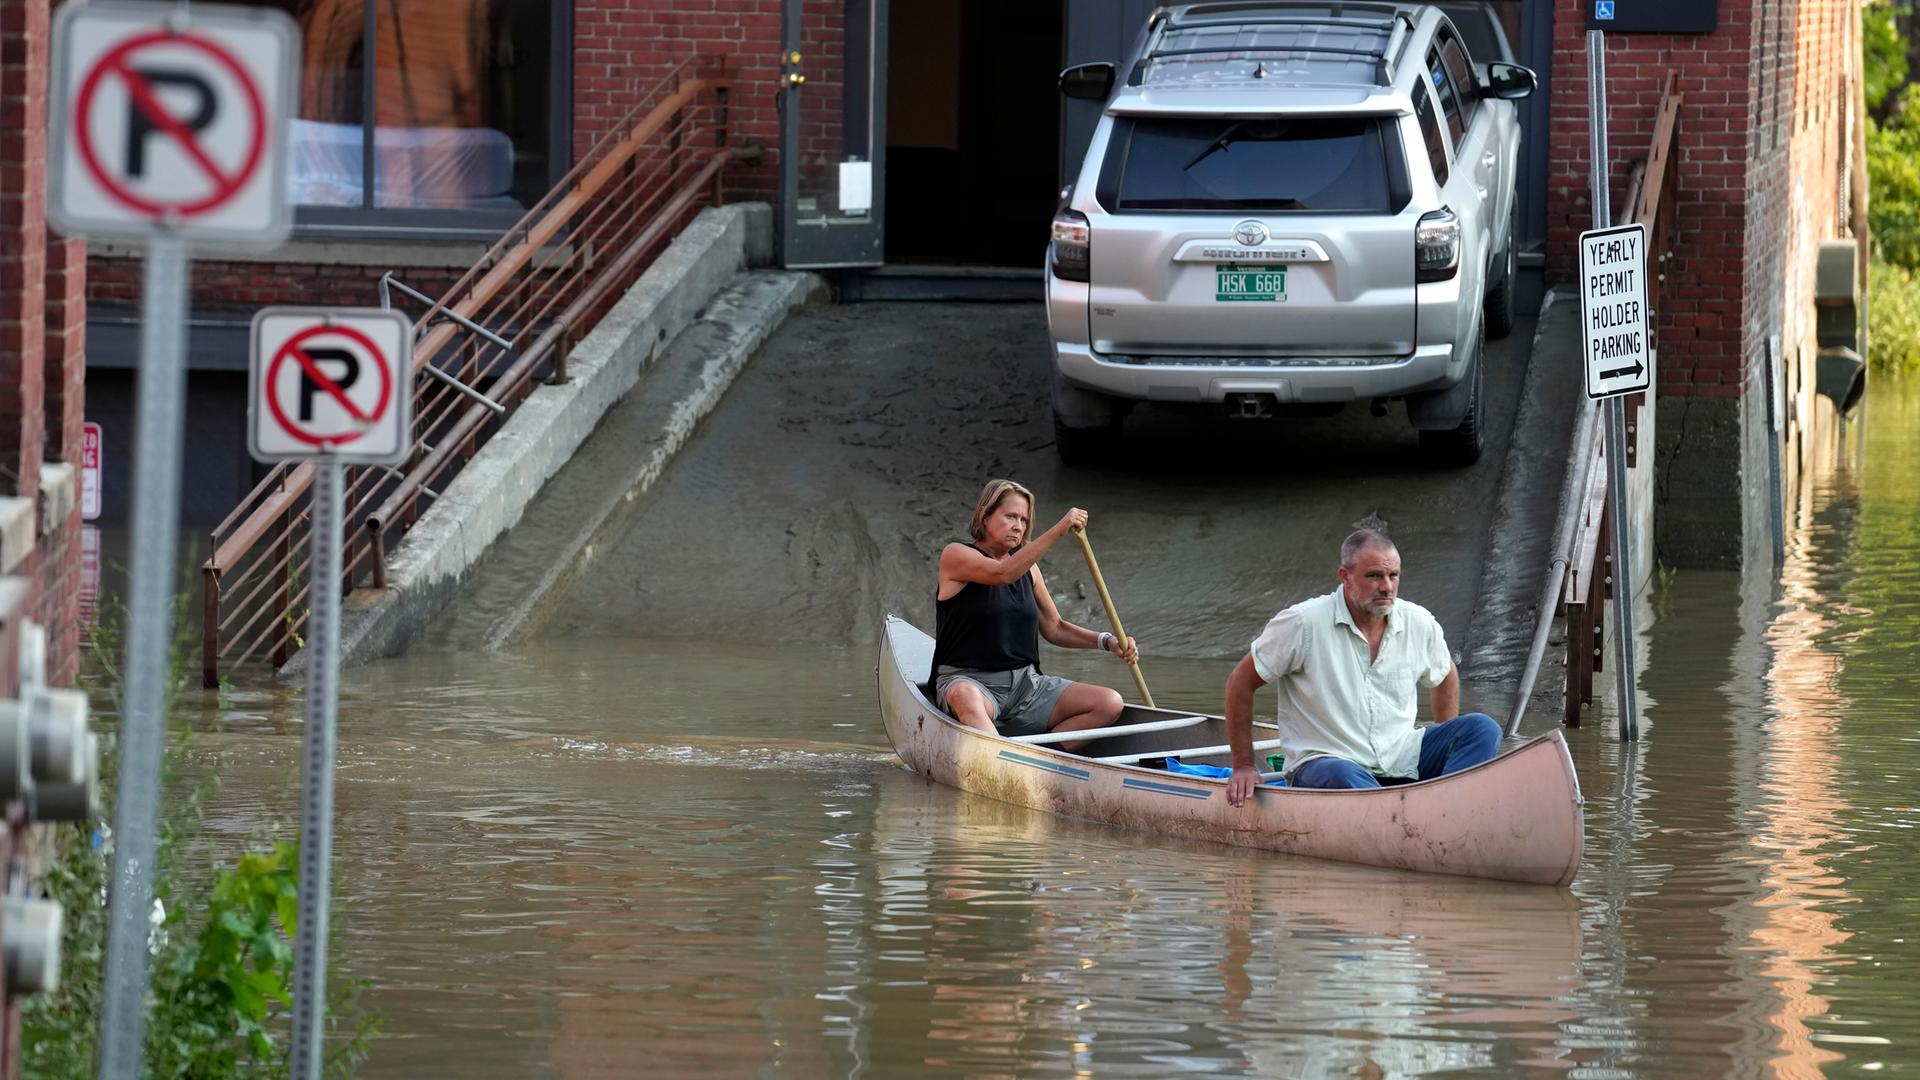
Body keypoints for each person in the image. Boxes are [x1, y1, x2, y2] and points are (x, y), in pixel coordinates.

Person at [1223, 528, 1500, 805]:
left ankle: (1444, 807)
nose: (1387, 587)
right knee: (1342, 773)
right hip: (1328, 764)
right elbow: (1240, 682)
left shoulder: (1419, 622)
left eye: (1393, 576)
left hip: (1401, 757)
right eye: (1374, 576)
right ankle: (1409, 816)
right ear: (1345, 577)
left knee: (1482, 728)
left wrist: (1444, 741)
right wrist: (1244, 766)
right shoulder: (1302, 623)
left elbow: (1445, 673)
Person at [930, 479, 1141, 749]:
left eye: (1024, 519)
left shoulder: (1029, 569)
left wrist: (1109, 641)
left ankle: (1042, 758)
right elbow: (1001, 574)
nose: (1019, 526)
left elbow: (1055, 627)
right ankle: (1003, 763)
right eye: (1010, 516)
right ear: (984, 516)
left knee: (1109, 703)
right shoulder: (956, 554)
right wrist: (1059, 529)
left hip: (1026, 685)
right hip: (969, 681)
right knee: (965, 695)